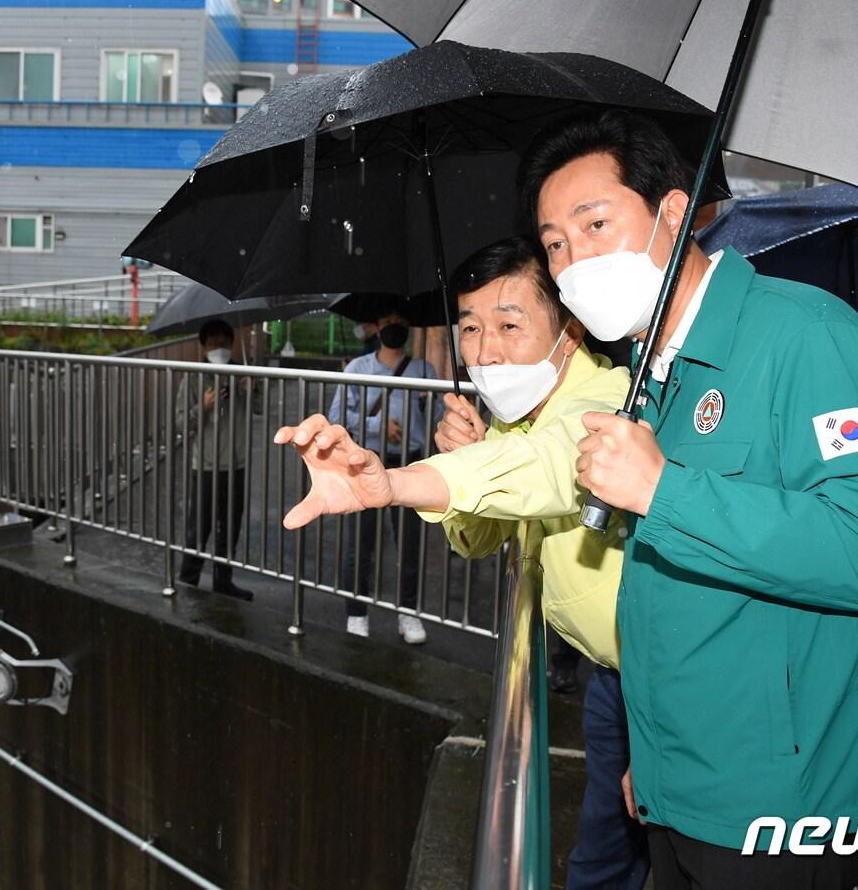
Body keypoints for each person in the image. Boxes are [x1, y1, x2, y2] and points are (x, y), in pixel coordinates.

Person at [283, 110, 858, 888]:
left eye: (595, 223)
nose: (575, 260)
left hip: (785, 801)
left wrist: (665, 490)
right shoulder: (657, 374)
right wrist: (652, 757)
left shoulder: (807, 335)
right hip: (679, 782)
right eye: (556, 243)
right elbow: (596, 529)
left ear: (675, 213)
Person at [275, 236, 644, 889]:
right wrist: (469, 455)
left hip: (667, 676)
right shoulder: (509, 421)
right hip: (610, 673)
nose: (485, 350)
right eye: (470, 326)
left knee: (638, 852)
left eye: (509, 323)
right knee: (605, 844)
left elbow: (552, 465)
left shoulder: (608, 397)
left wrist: (398, 480)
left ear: (570, 328)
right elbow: (476, 540)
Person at [326, 309, 435, 643]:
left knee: (410, 544)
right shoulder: (358, 368)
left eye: (402, 321)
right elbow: (338, 417)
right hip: (366, 464)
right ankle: (356, 612)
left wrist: (430, 403)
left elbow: (437, 419)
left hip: (410, 464)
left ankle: (408, 613)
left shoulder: (424, 370)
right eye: (388, 321)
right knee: (360, 543)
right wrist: (379, 424)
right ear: (376, 326)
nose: (395, 327)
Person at [174, 319, 258, 601]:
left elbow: (258, 408)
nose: (218, 348)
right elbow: (181, 423)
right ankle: (188, 580)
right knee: (199, 527)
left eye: (223, 343)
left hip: (237, 463)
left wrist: (252, 387)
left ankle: (223, 581)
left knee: (231, 526)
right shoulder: (194, 378)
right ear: (202, 347)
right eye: (212, 344)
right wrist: (204, 407)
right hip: (207, 465)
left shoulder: (242, 374)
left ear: (232, 344)